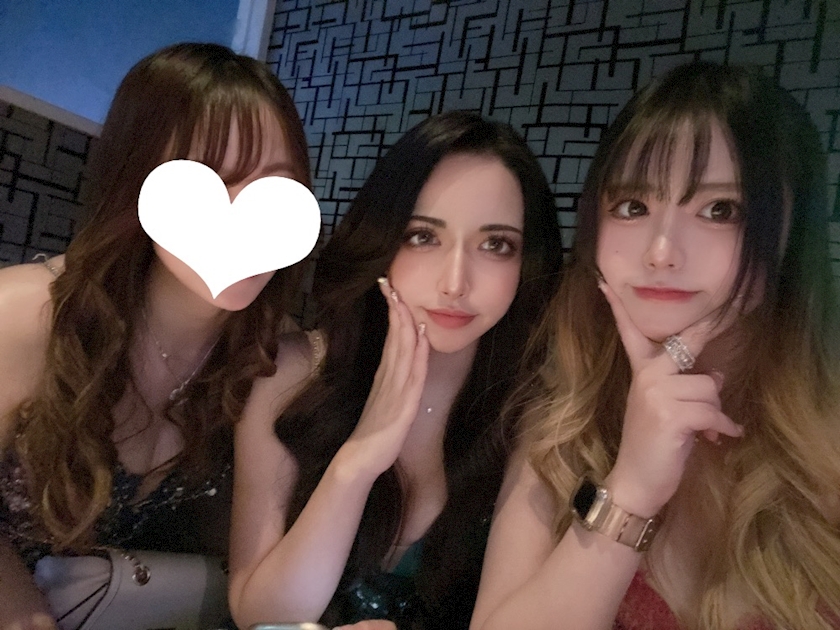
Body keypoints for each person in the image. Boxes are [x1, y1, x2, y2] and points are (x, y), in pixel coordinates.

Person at [469, 61, 840, 630]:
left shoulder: (826, 439)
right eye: (633, 207)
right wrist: (631, 490)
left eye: (720, 210)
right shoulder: (563, 426)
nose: (661, 251)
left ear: (793, 236)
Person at [0, 42, 312, 629]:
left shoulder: (274, 360)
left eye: (273, 187)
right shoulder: (22, 317)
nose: (241, 217)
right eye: (209, 182)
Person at [228, 110, 564, 630]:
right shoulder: (292, 374)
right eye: (423, 236)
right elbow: (260, 616)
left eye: (496, 245)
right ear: (382, 242)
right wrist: (358, 461)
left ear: (527, 263)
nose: (455, 283)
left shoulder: (536, 414)